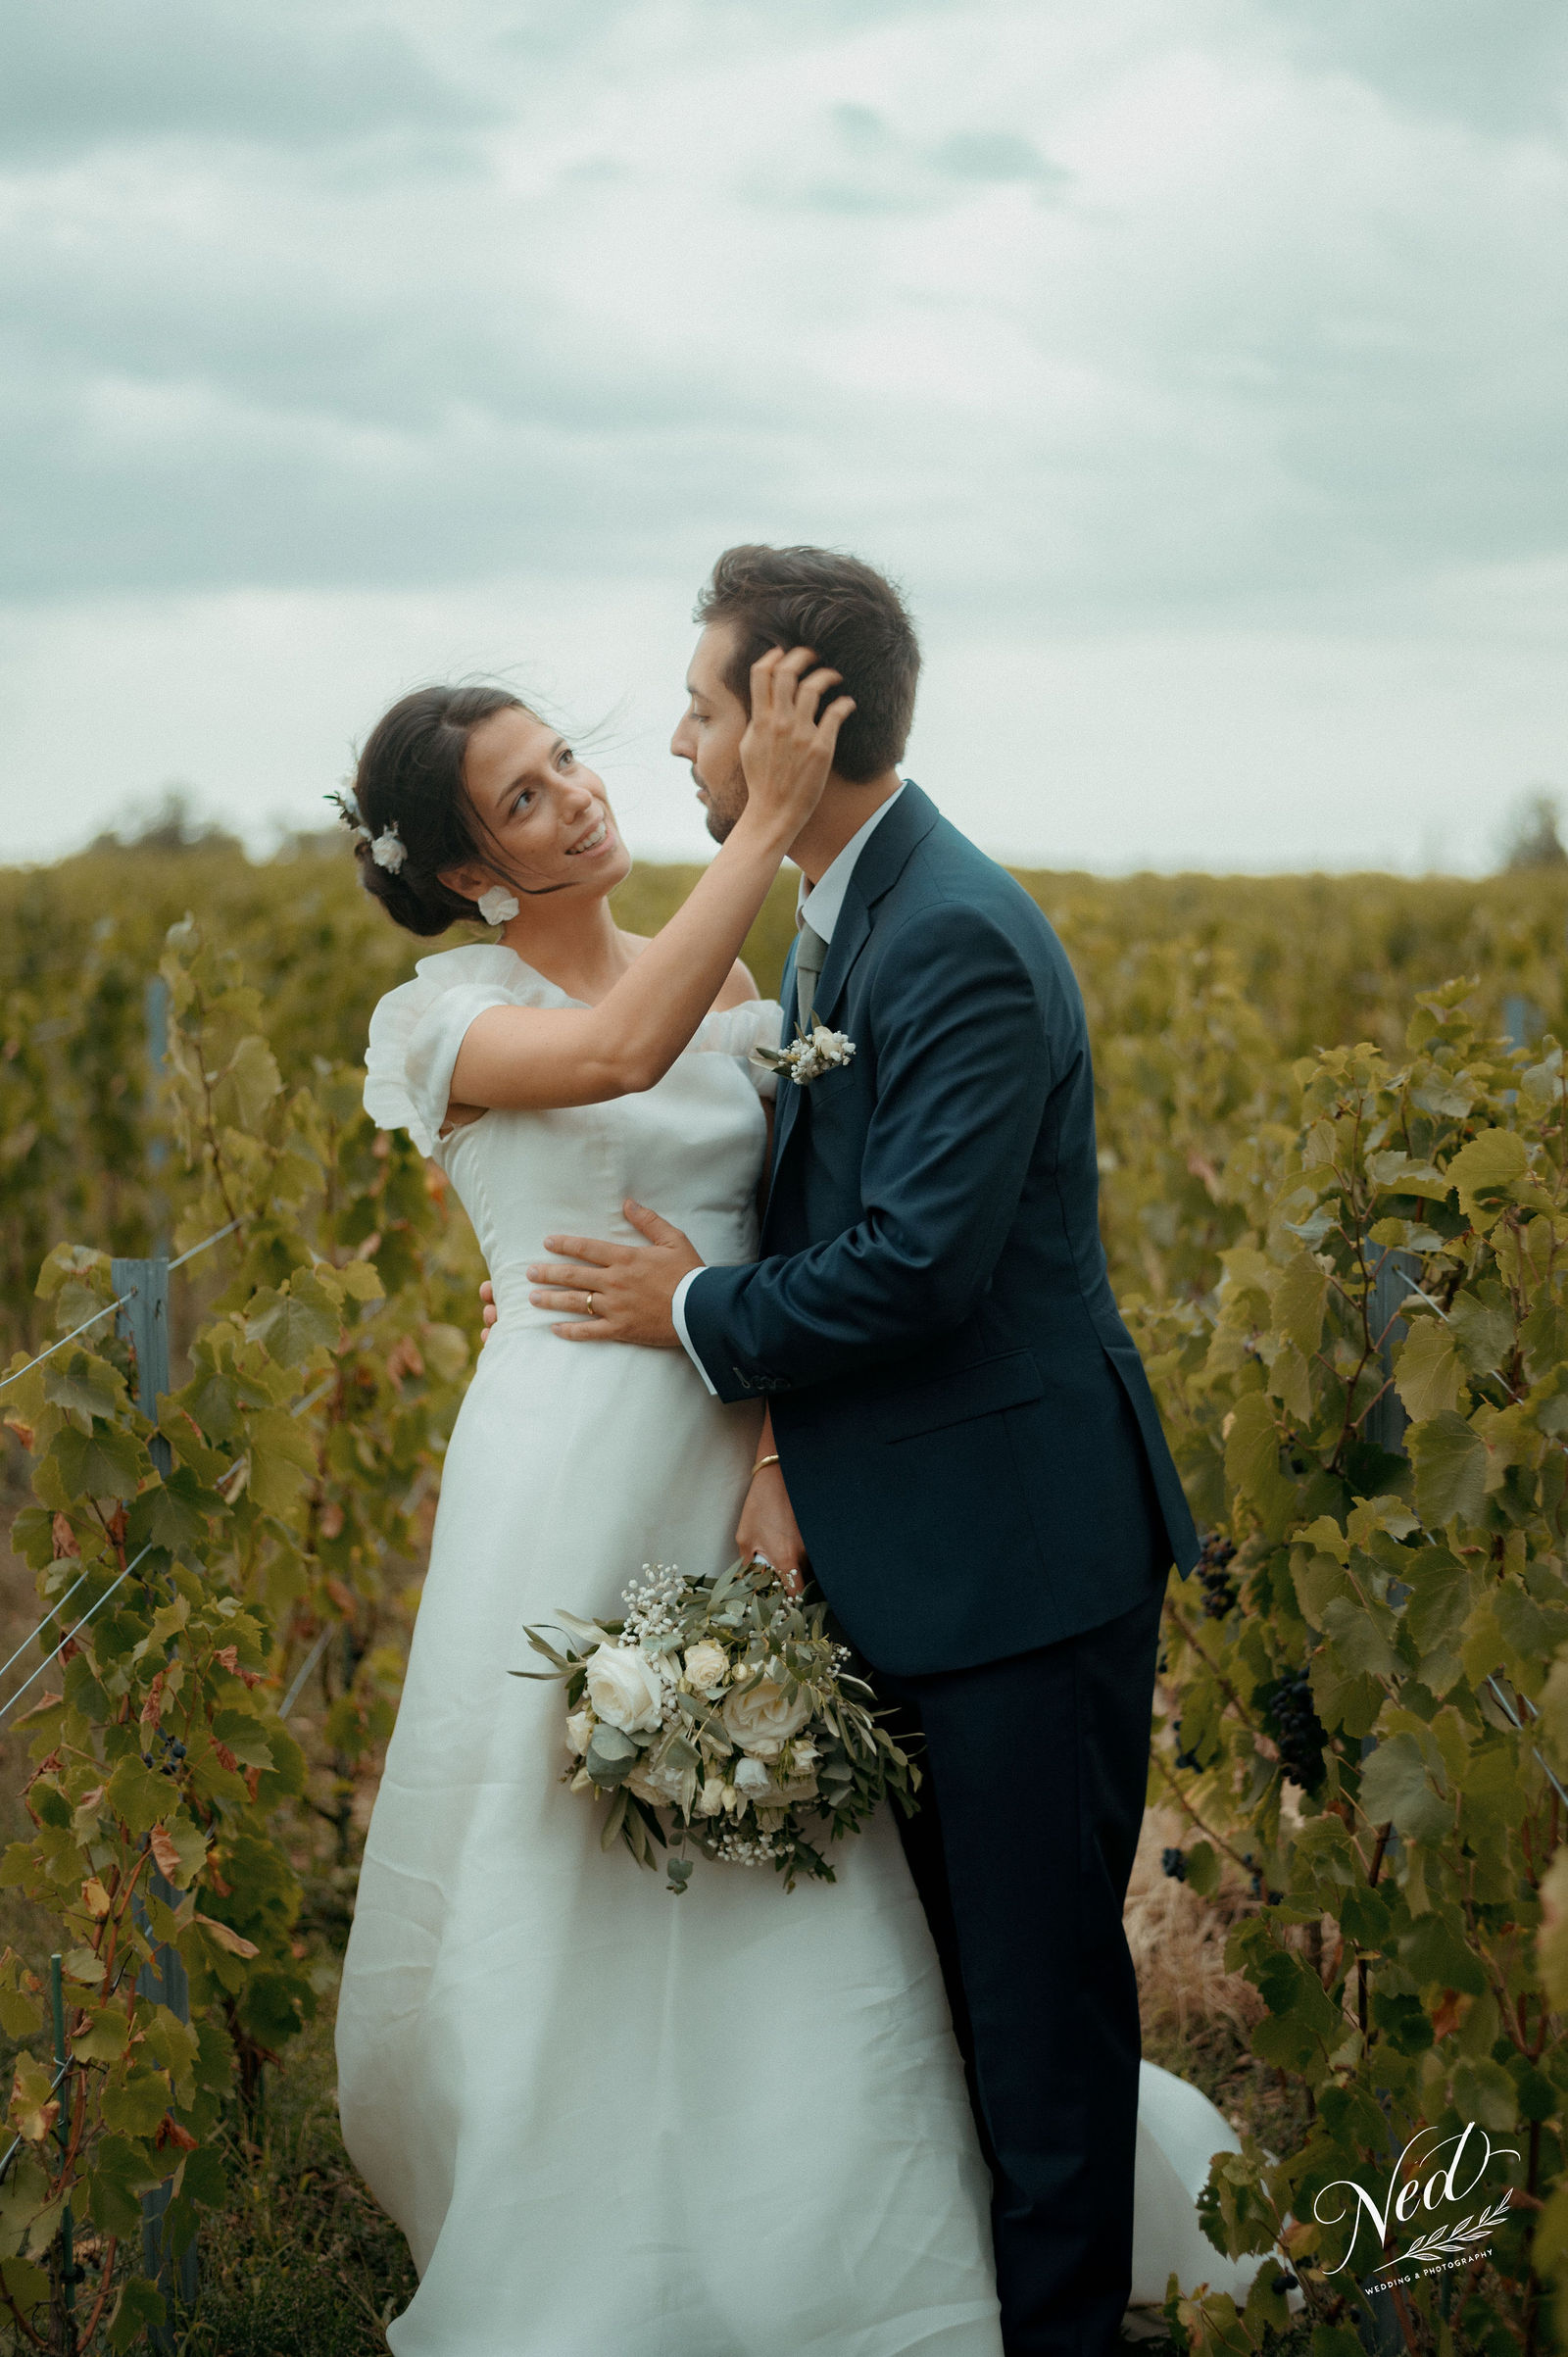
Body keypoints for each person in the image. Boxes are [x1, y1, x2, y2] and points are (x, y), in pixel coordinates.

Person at [337, 579, 1266, 2357]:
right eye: (525, 796)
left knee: (814, 1875)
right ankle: (591, 2230)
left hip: (767, 1460)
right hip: (570, 1473)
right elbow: (613, 1061)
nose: (589, 791)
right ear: (464, 871)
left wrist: (760, 1426)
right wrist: (767, 821)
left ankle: (870, 2248)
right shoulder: (443, 1019)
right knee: (573, 1863)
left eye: (576, 756)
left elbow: (809, 1229)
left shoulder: (799, 965)